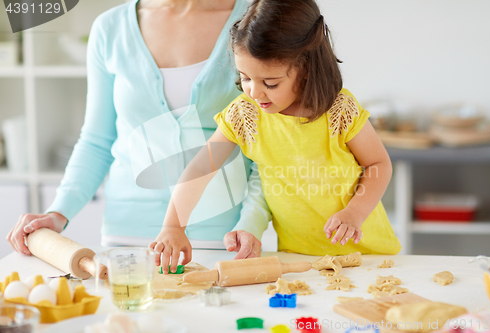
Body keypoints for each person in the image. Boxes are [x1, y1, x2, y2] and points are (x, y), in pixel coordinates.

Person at [6, 0, 272, 259]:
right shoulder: (110, 28)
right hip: (126, 238)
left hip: (224, 238)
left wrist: (250, 222)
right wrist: (57, 212)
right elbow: (96, 142)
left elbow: (268, 147)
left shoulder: (254, 19)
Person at [151, 0, 401, 273]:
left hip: (368, 256)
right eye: (245, 78)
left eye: (270, 83)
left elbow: (379, 164)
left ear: (305, 69)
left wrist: (355, 213)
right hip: (300, 260)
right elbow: (201, 167)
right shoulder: (244, 116)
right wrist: (173, 226)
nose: (255, 93)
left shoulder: (339, 110)